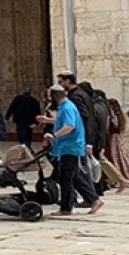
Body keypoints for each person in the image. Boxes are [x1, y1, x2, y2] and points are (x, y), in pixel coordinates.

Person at [43, 85, 102, 215]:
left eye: (49, 96)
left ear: (54, 96)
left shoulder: (67, 108)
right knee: (69, 177)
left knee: (68, 177)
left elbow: (70, 126)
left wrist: (54, 135)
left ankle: (90, 200)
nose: (48, 99)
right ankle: (69, 206)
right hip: (66, 147)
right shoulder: (64, 107)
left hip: (71, 147)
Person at [105, 99, 129, 191]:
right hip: (117, 137)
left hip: (113, 138)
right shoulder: (119, 114)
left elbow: (109, 127)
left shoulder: (112, 115)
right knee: (120, 157)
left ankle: (118, 178)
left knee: (115, 157)